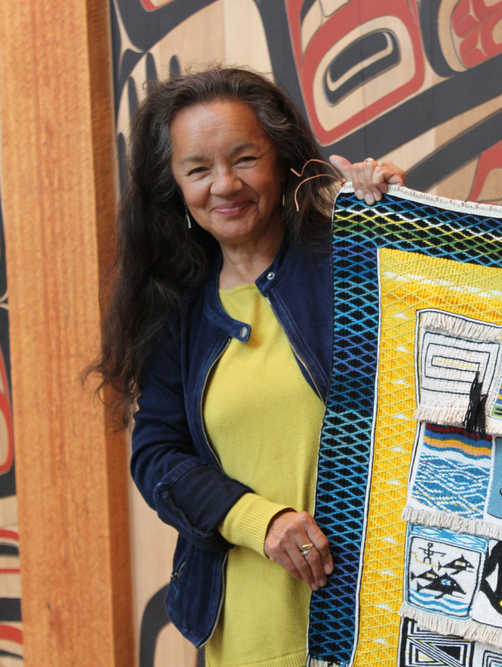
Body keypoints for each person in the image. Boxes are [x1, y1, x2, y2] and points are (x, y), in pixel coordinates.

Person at [92, 67, 404, 665]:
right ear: (175, 187)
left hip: (380, 622)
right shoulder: (175, 311)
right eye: (198, 169)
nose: (225, 185)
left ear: (281, 160)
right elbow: (158, 456)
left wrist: (399, 222)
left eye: (244, 159)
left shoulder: (356, 266)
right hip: (247, 632)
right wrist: (262, 521)